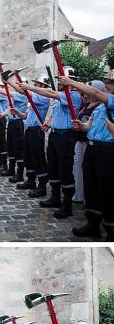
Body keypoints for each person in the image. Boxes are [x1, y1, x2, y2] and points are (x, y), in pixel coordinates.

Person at [57, 76, 114, 240]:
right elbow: (89, 126)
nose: (107, 86)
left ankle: (110, 229)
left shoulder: (111, 101)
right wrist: (81, 126)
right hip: (91, 148)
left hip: (107, 150)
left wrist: (70, 82)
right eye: (107, 83)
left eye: (110, 84)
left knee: (107, 190)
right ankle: (92, 224)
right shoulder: (99, 107)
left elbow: (95, 92)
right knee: (91, 187)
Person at [21, 69, 83, 219]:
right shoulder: (60, 96)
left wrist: (29, 87)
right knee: (53, 167)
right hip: (55, 134)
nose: (60, 81)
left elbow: (50, 93)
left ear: (71, 80)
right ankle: (55, 197)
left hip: (66, 136)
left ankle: (66, 204)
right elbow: (55, 113)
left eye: (62, 79)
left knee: (65, 169)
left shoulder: (74, 96)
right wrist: (48, 124)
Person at [10, 76, 51, 195]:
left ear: (43, 86)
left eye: (36, 84)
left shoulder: (43, 97)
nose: (34, 86)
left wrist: (10, 82)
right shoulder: (33, 99)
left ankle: (42, 186)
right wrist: (17, 112)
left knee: (38, 157)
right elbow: (25, 116)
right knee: (28, 156)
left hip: (36, 130)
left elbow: (23, 91)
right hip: (29, 130)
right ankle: (31, 181)